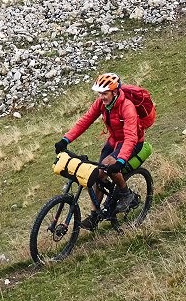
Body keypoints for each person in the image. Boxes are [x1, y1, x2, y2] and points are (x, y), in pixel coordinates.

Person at [53, 72, 144, 229]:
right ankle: (95, 215)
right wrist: (65, 139)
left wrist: (120, 160)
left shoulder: (127, 107)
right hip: (114, 141)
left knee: (110, 166)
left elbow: (130, 138)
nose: (102, 97)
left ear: (115, 91)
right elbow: (85, 121)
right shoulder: (101, 104)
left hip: (132, 142)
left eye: (105, 93)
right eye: (100, 93)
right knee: (97, 174)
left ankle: (126, 194)